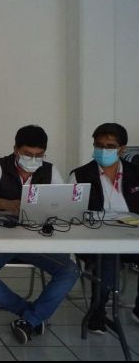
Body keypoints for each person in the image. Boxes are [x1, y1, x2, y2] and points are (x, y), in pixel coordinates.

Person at [0, 125, 79, 344]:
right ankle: (31, 315)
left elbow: (65, 202)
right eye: (28, 154)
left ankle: (31, 319)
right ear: (16, 149)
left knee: (70, 271)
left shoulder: (49, 170)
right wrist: (8, 204)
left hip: (35, 240)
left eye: (39, 155)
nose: (33, 159)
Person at [69, 123, 139, 334]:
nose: (103, 150)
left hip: (132, 236)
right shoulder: (80, 175)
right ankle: (97, 313)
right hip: (96, 239)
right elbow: (70, 214)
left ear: (122, 149)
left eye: (110, 146)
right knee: (107, 263)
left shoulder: (136, 173)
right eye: (99, 145)